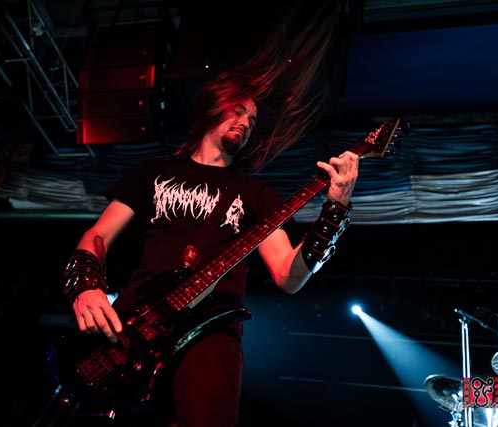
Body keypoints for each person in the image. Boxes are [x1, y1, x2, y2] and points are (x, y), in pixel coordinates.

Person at [60, 2, 358, 426]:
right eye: (239, 110)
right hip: (132, 324)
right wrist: (87, 289)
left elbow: (288, 275)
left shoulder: (256, 193)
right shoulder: (154, 171)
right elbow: (98, 236)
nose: (246, 122)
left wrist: (336, 207)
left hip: (210, 329)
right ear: (214, 106)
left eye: (252, 119)